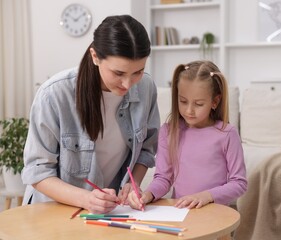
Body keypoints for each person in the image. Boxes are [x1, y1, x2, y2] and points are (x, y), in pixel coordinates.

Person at [21, 15, 160, 214]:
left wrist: (133, 182)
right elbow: (38, 171)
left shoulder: (146, 88)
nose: (128, 84)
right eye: (118, 73)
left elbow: (146, 149)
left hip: (107, 214)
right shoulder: (54, 94)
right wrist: (87, 199)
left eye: (138, 72)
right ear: (95, 56)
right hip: (52, 212)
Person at [128, 60, 247, 210]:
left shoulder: (227, 134)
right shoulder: (168, 131)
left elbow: (239, 183)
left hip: (216, 213)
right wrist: (149, 194)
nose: (189, 110)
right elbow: (163, 178)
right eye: (183, 101)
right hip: (181, 213)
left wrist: (205, 196)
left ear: (215, 101)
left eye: (198, 104)